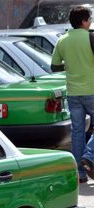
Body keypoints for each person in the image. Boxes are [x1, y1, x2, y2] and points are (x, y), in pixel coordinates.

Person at [51, 6, 94, 184]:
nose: (91, 21)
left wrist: (70, 66)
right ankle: (89, 155)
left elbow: (54, 66)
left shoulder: (63, 40)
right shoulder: (91, 37)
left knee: (77, 132)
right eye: (89, 18)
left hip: (73, 93)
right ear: (83, 21)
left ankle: (80, 174)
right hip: (92, 91)